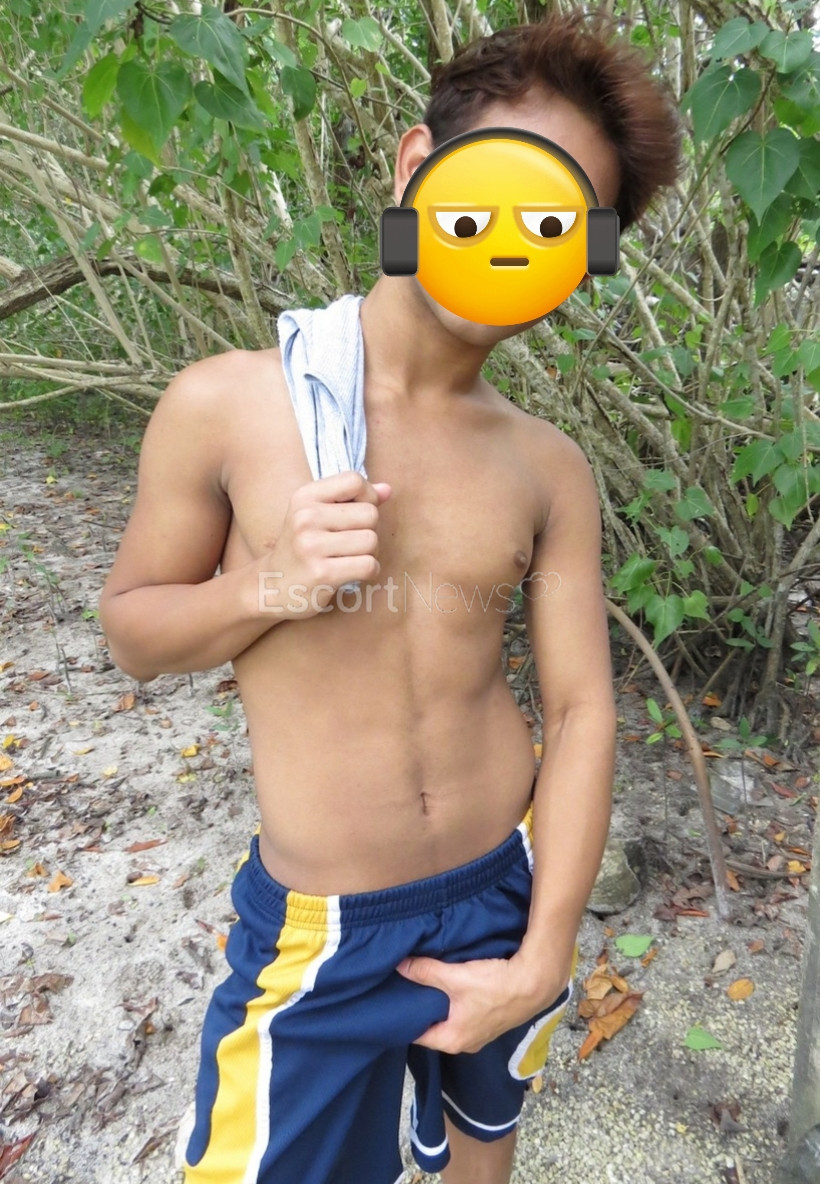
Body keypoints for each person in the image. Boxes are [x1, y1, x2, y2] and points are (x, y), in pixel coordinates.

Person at [99, 9, 681, 1183]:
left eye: (560, 219)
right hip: (320, 929)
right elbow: (134, 632)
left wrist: (543, 953)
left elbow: (581, 711)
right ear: (418, 167)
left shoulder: (545, 464)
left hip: (503, 889)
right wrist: (270, 582)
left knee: (480, 1147)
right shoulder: (227, 405)